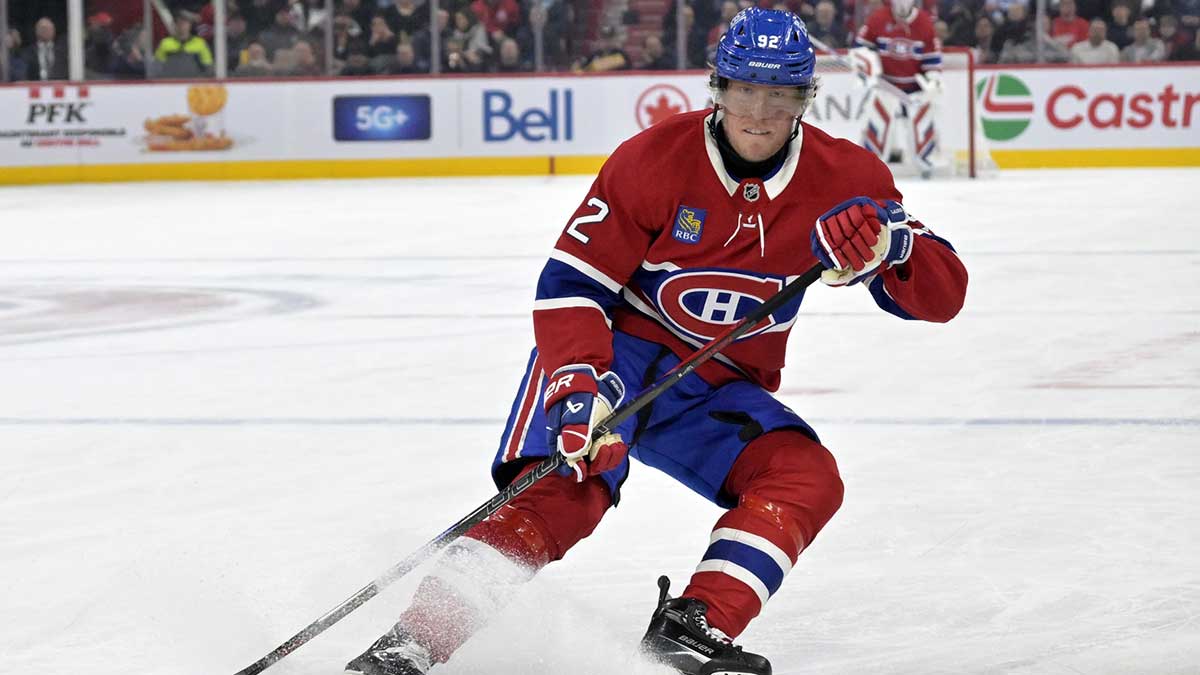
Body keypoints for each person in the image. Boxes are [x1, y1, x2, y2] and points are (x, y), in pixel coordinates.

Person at [342, 7, 967, 675]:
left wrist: (893, 246)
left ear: (806, 98)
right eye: (742, 89)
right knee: (569, 484)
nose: (759, 111)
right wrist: (578, 384)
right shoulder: (652, 161)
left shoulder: (849, 180)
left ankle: (692, 627)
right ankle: (409, 644)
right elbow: (570, 286)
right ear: (716, 88)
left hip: (719, 385)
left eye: (780, 93)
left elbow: (945, 295)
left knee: (806, 476)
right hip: (618, 354)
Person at [854, 0, 943, 176]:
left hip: (915, 87)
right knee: (878, 118)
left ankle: (926, 161)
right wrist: (867, 68)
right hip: (886, 85)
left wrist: (931, 82)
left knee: (923, 120)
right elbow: (860, 49)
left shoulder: (925, 22)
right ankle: (869, 164)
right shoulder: (877, 18)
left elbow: (932, 61)